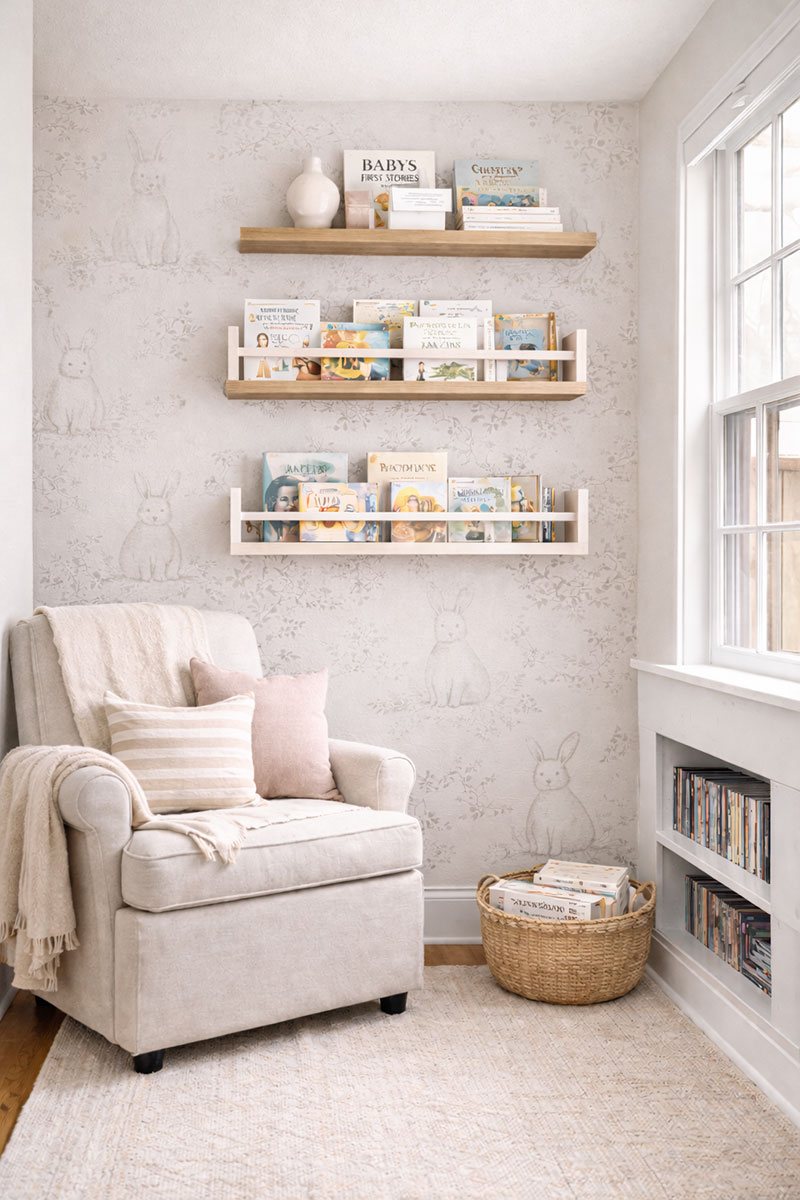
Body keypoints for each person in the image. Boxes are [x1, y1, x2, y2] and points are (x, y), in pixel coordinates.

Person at [263, 474, 299, 541]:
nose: (291, 504)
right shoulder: (268, 537)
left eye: (295, 499)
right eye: (284, 499)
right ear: (273, 502)